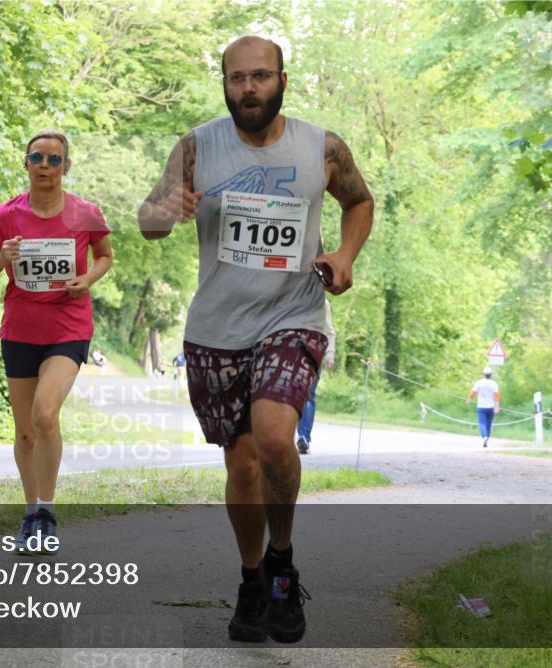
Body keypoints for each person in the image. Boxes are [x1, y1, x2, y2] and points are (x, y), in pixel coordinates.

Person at [138, 36, 373, 644]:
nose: (249, 88)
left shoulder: (322, 147)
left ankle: (282, 566)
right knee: (241, 467)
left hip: (294, 314)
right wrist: (167, 208)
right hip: (217, 328)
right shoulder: (196, 145)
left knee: (273, 437)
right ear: (224, 82)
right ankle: (251, 580)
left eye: (261, 76)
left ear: (283, 81)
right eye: (237, 78)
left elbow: (360, 201)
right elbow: (148, 223)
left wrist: (345, 256)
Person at [0, 130, 113, 555]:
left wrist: (86, 278)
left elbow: (105, 255)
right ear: (26, 164)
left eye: (55, 159)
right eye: (38, 158)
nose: (46, 166)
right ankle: (30, 513)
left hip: (68, 327)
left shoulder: (85, 213)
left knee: (45, 414)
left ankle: (47, 515)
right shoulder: (6, 216)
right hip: (20, 330)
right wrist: (0, 261)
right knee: (25, 432)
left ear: (66, 167)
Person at [295, 300, 336, 455]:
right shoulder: (290, 296)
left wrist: (330, 354)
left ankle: (303, 437)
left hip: (314, 352)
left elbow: (330, 330)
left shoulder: (322, 302)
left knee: (308, 395)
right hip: (290, 352)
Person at [467, 367, 500, 448]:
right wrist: (497, 405)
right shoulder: (494, 384)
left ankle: (484, 437)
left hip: (481, 406)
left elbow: (473, 392)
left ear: (483, 374)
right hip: (491, 407)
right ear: (491, 375)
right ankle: (487, 438)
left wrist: (469, 399)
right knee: (489, 424)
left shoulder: (479, 383)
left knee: (482, 423)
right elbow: (496, 395)